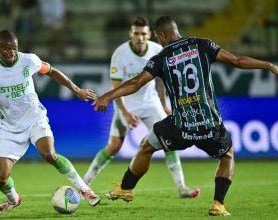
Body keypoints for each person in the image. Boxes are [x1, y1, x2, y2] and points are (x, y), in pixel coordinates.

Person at [93, 16, 278, 216]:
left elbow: (136, 82)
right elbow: (237, 61)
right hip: (209, 123)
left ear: (161, 35)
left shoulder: (161, 57)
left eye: (158, 38)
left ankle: (126, 188)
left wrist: (107, 95)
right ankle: (218, 203)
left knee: (146, 146)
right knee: (227, 155)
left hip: (180, 125)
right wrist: (269, 66)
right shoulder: (202, 45)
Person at [0, 30, 101, 213]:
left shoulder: (29, 60)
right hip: (9, 128)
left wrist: (76, 89)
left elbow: (52, 72)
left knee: (49, 154)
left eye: (14, 48)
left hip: (34, 118)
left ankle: (85, 190)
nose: (11, 52)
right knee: (0, 178)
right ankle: (14, 199)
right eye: (6, 49)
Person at [83, 16, 200, 198]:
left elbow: (161, 81)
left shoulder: (156, 50)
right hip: (127, 104)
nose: (140, 38)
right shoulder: (120, 54)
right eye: (136, 33)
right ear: (130, 34)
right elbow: (115, 89)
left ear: (150, 34)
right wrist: (126, 113)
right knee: (114, 147)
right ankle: (85, 185)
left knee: (169, 142)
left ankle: (182, 187)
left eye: (143, 34)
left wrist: (164, 104)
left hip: (151, 103)